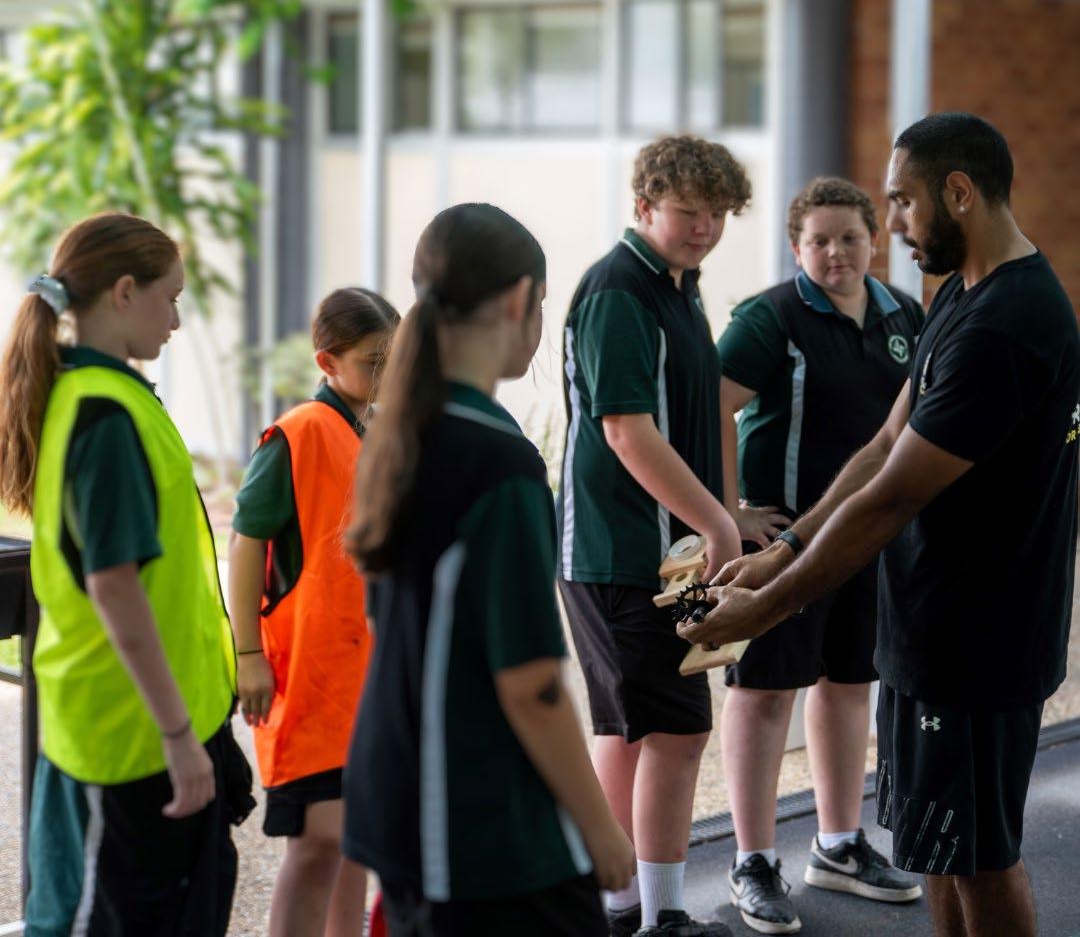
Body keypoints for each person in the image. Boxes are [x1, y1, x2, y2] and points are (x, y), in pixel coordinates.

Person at [681, 113, 1079, 937]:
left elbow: (894, 495)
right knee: (937, 847)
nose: (893, 223)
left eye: (903, 201)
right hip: (929, 633)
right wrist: (783, 551)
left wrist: (766, 607)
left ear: (958, 192)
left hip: (979, 645)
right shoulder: (962, 295)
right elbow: (886, 441)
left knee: (982, 857)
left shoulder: (1010, 325)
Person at [343, 202, 635, 936]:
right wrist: (600, 827)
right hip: (472, 817)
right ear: (518, 299)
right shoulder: (500, 464)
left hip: (395, 789)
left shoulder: (400, 432)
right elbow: (532, 686)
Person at [0, 212, 253, 936]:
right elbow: (115, 588)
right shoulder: (103, 416)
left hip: (148, 725)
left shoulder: (113, 399)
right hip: (130, 737)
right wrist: (177, 735)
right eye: (170, 298)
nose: (176, 320)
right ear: (123, 292)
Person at [715, 177, 923, 933]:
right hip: (785, 546)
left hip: (868, 540)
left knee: (849, 683)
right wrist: (730, 513)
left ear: (874, 240)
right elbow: (714, 405)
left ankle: (838, 844)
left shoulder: (904, 314)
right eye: (819, 241)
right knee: (766, 693)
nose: (836, 252)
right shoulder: (770, 318)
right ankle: (752, 860)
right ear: (795, 247)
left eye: (850, 238)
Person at [557, 136, 746, 937]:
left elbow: (698, 419)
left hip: (668, 550)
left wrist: (723, 516)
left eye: (718, 214)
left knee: (632, 731)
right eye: (688, 211)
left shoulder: (677, 285)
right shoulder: (619, 289)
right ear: (643, 206)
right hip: (623, 550)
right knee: (676, 727)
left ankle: (623, 910)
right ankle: (654, 915)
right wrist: (717, 520)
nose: (704, 227)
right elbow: (627, 431)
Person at [229, 287, 398, 937]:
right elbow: (246, 542)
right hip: (309, 673)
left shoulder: (376, 430)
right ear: (327, 362)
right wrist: (248, 653)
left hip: (360, 674)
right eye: (374, 362)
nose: (387, 374)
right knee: (317, 843)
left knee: (350, 839)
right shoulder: (298, 432)